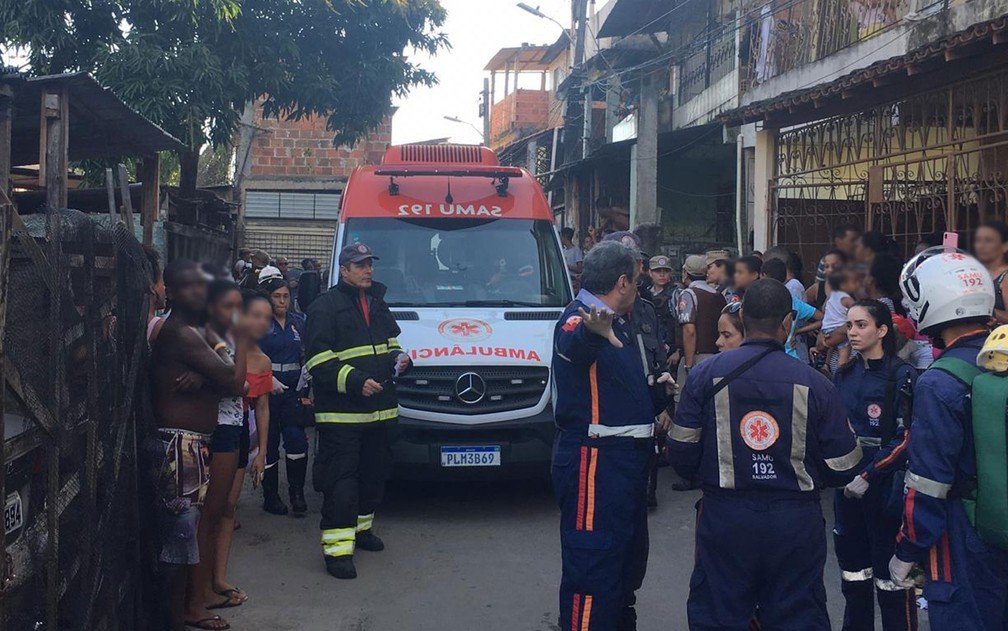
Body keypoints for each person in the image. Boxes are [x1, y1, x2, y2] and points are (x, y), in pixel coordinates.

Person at [669, 278, 863, 630]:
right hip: (795, 521)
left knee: (719, 611)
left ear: (743, 314)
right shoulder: (818, 384)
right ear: (788, 322)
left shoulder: (704, 375)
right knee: (797, 613)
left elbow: (680, 453)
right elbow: (844, 466)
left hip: (725, 516)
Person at [552, 240, 670, 631]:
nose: (640, 289)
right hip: (596, 464)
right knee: (593, 569)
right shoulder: (580, 318)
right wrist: (591, 333)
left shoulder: (620, 321)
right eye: (637, 281)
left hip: (627, 465)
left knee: (627, 565)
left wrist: (655, 392)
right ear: (622, 281)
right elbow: (573, 345)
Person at [890, 248, 1008, 629]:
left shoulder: (940, 381)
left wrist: (908, 549)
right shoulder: (999, 359)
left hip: (965, 534)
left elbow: (928, 482)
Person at [149, 260, 250, 631]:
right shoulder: (180, 332)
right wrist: (245, 342)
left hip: (192, 445)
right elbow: (234, 381)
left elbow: (223, 379)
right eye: (188, 287)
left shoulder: (193, 332)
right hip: (180, 446)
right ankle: (182, 616)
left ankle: (188, 609)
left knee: (188, 531)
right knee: (181, 536)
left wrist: (208, 379)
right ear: (171, 293)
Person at [304, 243, 411, 579]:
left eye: (369, 264)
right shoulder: (325, 307)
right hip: (343, 418)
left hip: (380, 414)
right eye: (360, 265)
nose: (368, 270)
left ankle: (361, 531)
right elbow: (317, 359)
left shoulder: (377, 303)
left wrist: (401, 359)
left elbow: (392, 343)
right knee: (341, 484)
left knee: (373, 478)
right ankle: (337, 551)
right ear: (344, 270)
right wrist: (355, 382)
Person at [832, 300, 918, 631]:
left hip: (887, 493)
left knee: (892, 582)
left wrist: (870, 474)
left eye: (861, 325)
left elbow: (909, 438)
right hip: (848, 491)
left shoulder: (904, 376)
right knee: (854, 576)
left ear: (882, 330)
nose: (852, 332)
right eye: (850, 325)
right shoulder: (844, 374)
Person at [188, 280, 248, 616]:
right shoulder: (205, 335)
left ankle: (212, 584)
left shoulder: (223, 336)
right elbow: (234, 381)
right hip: (216, 427)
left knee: (220, 512)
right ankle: (200, 594)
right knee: (207, 515)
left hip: (235, 423)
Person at [602, 233, 676, 508]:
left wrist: (663, 404)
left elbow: (658, 357)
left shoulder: (646, 310)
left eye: (638, 265)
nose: (638, 272)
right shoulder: (595, 312)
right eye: (631, 266)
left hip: (646, 399)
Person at [212, 290, 274, 612]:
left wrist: (261, 453)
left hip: (239, 438)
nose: (262, 323)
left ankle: (218, 577)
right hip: (214, 434)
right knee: (207, 508)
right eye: (256, 315)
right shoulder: (218, 347)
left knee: (228, 507)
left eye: (266, 317)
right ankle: (203, 579)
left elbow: (262, 408)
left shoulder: (262, 360)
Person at [258, 275, 309, 516]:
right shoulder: (258, 323)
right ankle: (270, 496)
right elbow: (249, 355)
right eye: (277, 296)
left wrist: (307, 370)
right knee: (268, 445)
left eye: (286, 296)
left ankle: (297, 495)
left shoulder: (298, 322)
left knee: (296, 440)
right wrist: (267, 379)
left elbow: (308, 350)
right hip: (266, 394)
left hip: (293, 393)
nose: (282, 301)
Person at [676, 254, 727, 391]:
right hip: (717, 357)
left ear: (685, 273)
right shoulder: (719, 296)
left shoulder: (687, 294)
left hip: (695, 356)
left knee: (685, 401)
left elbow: (689, 331)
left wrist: (688, 364)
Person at [762, 258, 822, 362]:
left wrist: (797, 331)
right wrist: (796, 331)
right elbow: (823, 318)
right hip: (793, 358)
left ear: (764, 276)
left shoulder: (760, 301)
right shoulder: (793, 300)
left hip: (769, 358)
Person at [815, 266, 858, 371]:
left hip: (826, 329)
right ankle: (841, 372)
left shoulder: (832, 295)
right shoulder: (846, 298)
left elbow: (825, 309)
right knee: (844, 353)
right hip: (838, 328)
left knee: (831, 347)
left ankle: (826, 365)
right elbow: (857, 311)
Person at [973, 220, 1008, 324]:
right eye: (978, 240)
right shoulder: (976, 272)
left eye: (988, 241)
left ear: (1004, 246)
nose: (981, 246)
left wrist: (988, 312)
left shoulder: (1005, 277)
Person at [144, 245, 168, 347]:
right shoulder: (160, 327)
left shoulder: (112, 322)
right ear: (152, 288)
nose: (165, 289)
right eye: (162, 284)